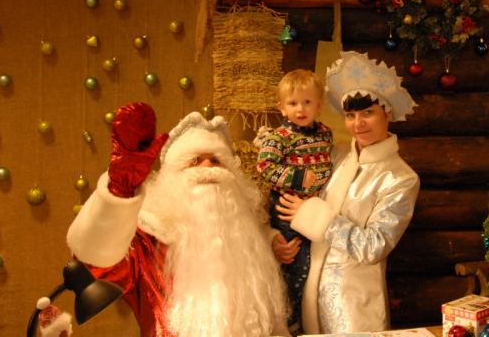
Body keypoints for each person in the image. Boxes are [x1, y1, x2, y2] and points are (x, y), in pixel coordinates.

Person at [66, 103, 289, 337]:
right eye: (195, 160)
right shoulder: (148, 241)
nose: (207, 168)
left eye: (216, 160)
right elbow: (96, 267)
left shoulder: (249, 245)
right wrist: (120, 190)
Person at [275, 51, 421, 334]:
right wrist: (278, 241)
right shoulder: (333, 157)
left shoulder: (401, 179)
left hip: (354, 305)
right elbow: (290, 201)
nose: (358, 123)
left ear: (387, 113)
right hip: (308, 294)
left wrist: (315, 217)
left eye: (368, 113)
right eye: (350, 115)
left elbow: (374, 246)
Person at [257, 69, 333, 329]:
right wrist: (297, 177)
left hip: (313, 210)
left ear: (319, 105)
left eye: (307, 102)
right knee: (296, 267)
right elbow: (264, 167)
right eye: (293, 103)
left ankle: (307, 318)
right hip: (287, 210)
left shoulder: (324, 134)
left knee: (313, 267)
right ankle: (289, 321)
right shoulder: (278, 137)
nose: (300, 109)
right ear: (282, 107)